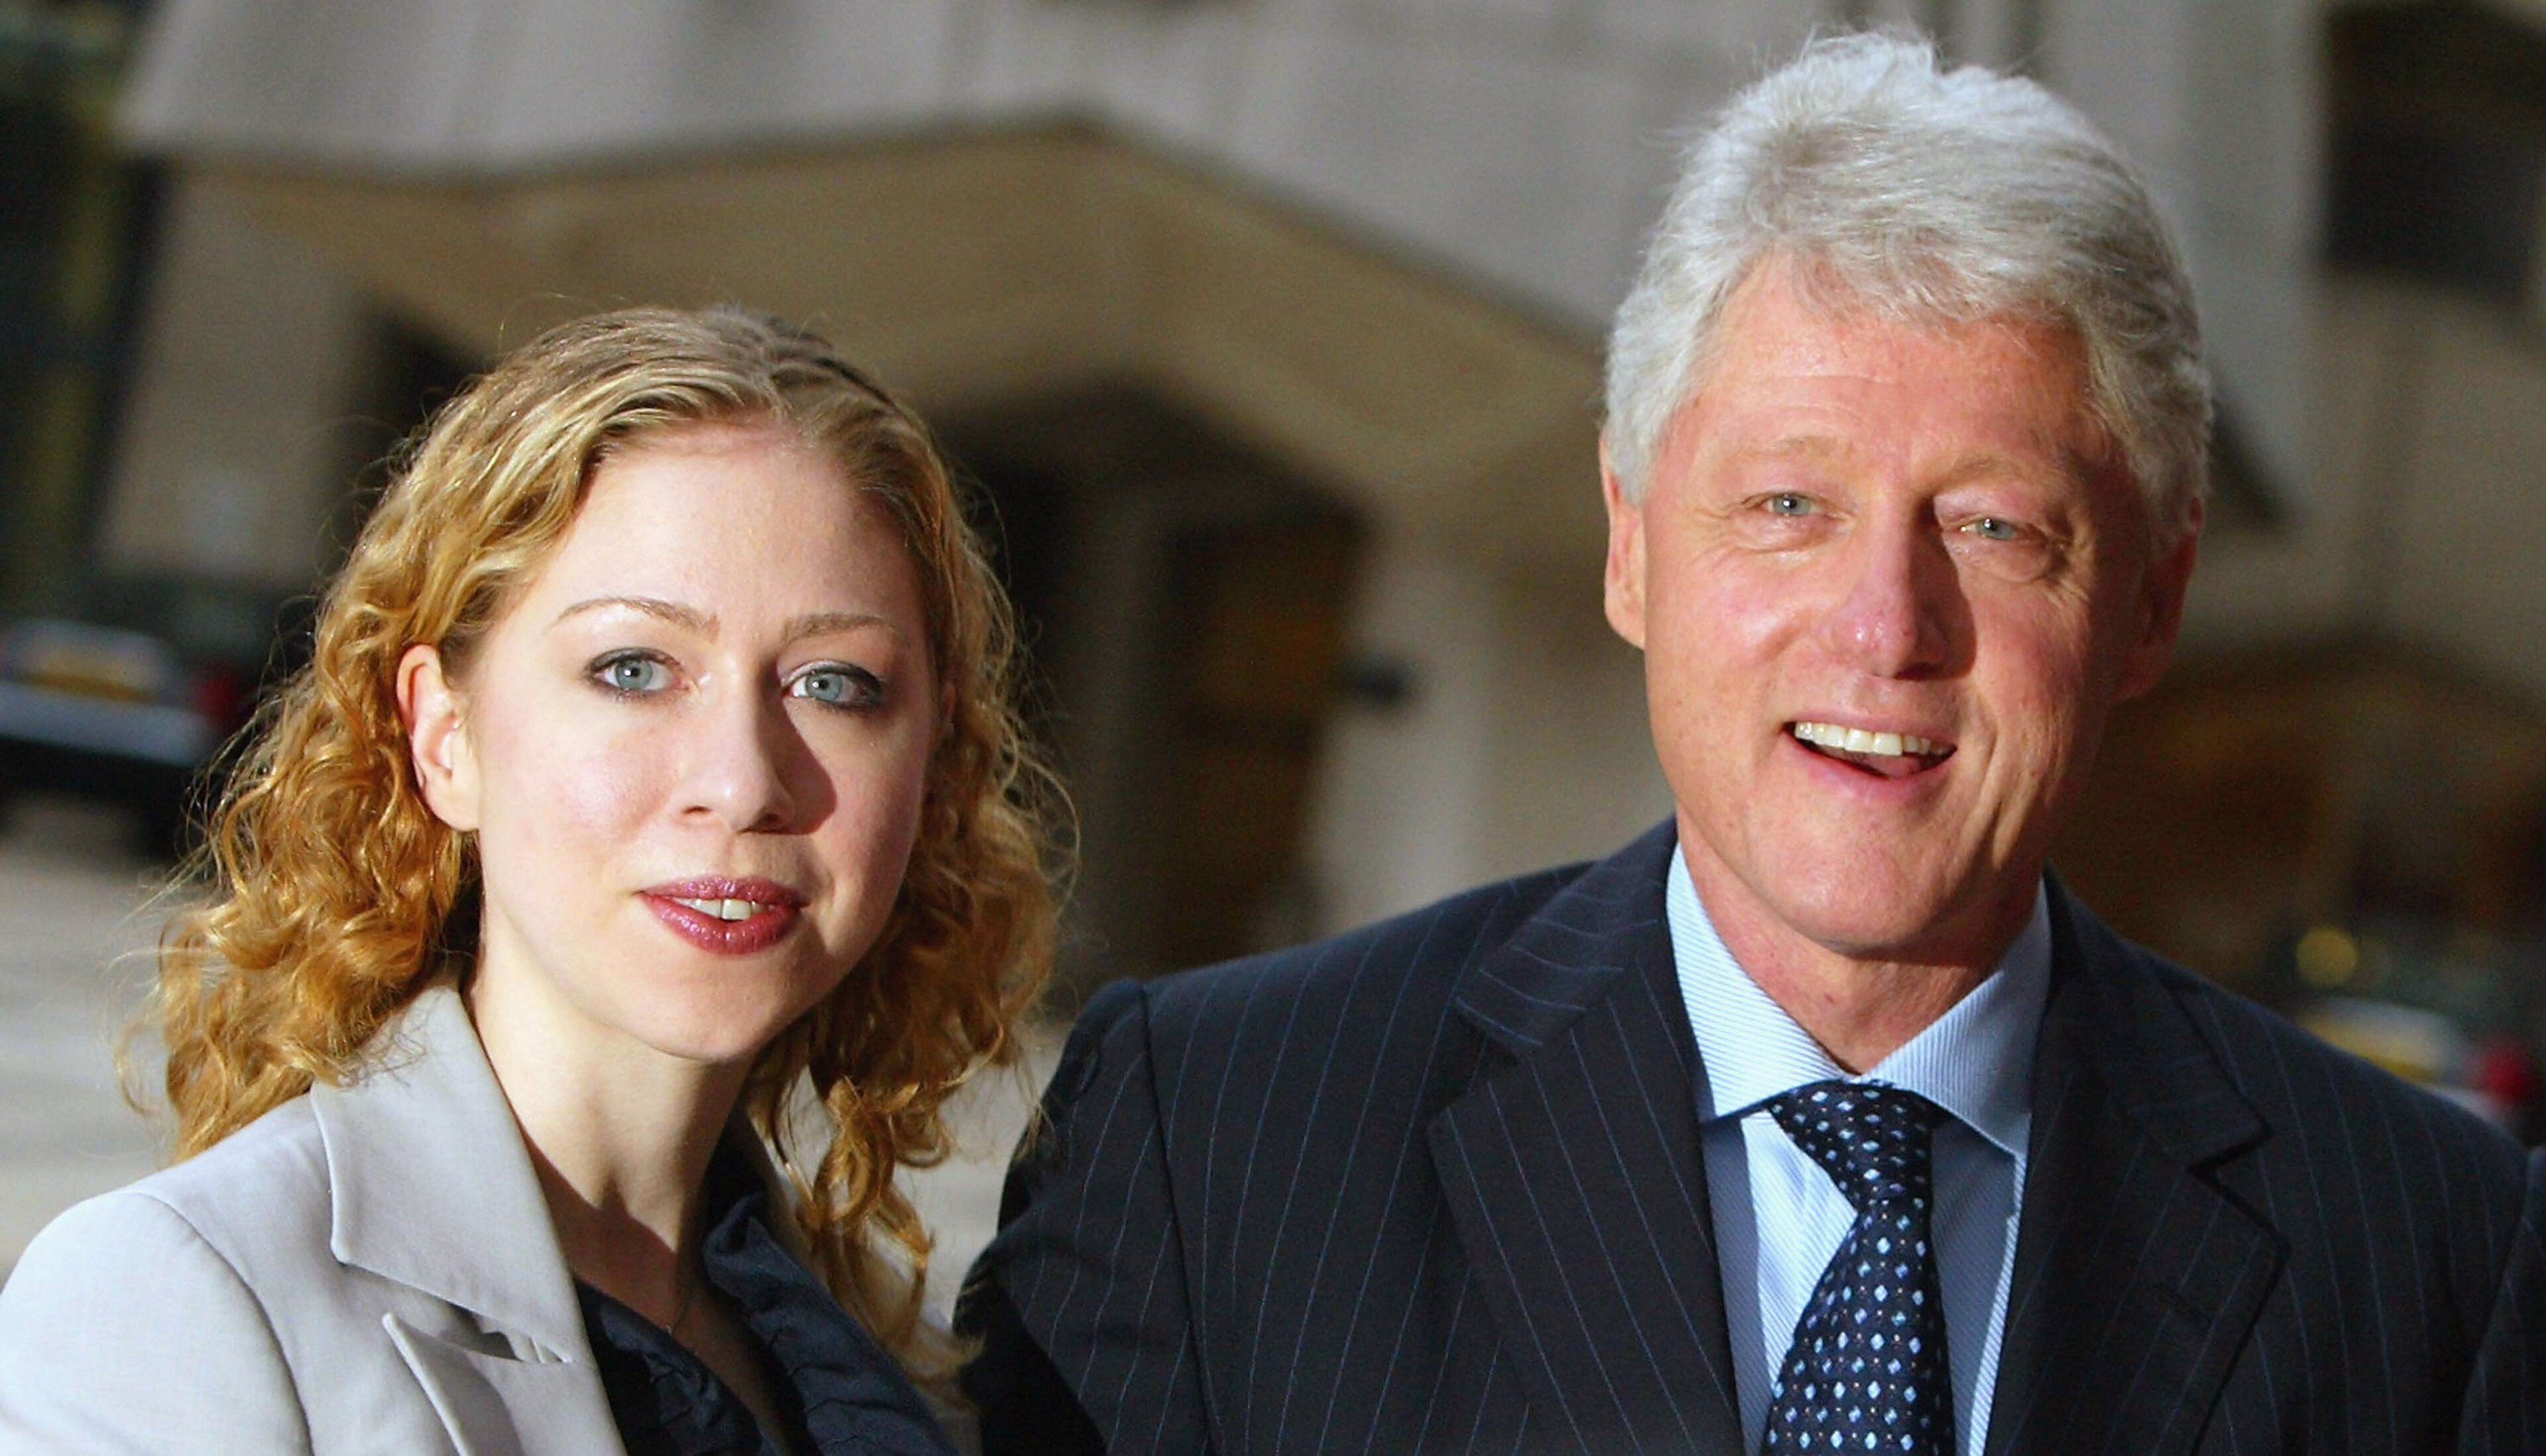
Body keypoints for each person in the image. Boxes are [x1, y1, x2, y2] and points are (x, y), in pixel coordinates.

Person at [959, 32, 2546, 1456]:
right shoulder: (1218, 1139)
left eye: (1994, 527)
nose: (1885, 625)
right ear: (1632, 545)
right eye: (1791, 506)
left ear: (2149, 603)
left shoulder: (2435, 1254)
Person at [0, 307, 1060, 1455]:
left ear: (934, 756)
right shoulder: (183, 1303)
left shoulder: (894, 1374)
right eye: (634, 668)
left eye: (835, 686)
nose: (745, 781)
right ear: (444, 738)